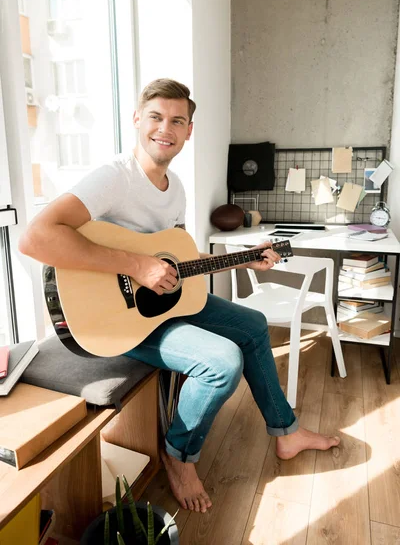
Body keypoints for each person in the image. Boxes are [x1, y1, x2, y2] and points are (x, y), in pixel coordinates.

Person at [19, 78, 340, 514]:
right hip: (114, 321)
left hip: (160, 308)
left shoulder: (176, 188)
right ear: (137, 120)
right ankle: (178, 455)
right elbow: (35, 239)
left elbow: (179, 260)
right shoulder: (115, 178)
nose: (164, 129)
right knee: (220, 362)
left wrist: (242, 260)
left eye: (176, 121)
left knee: (253, 325)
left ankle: (286, 432)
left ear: (189, 130)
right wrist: (136, 266)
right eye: (155, 117)